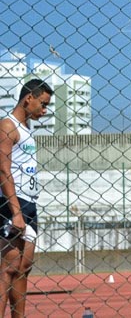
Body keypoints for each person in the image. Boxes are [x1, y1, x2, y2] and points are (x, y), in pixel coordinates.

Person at [0, 79, 51, 318]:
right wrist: (16, 211)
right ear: (28, 98)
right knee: (7, 269)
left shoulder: (26, 130)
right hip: (13, 204)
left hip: (29, 202)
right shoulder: (8, 126)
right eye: (42, 104)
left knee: (23, 267)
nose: (44, 110)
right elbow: (3, 169)